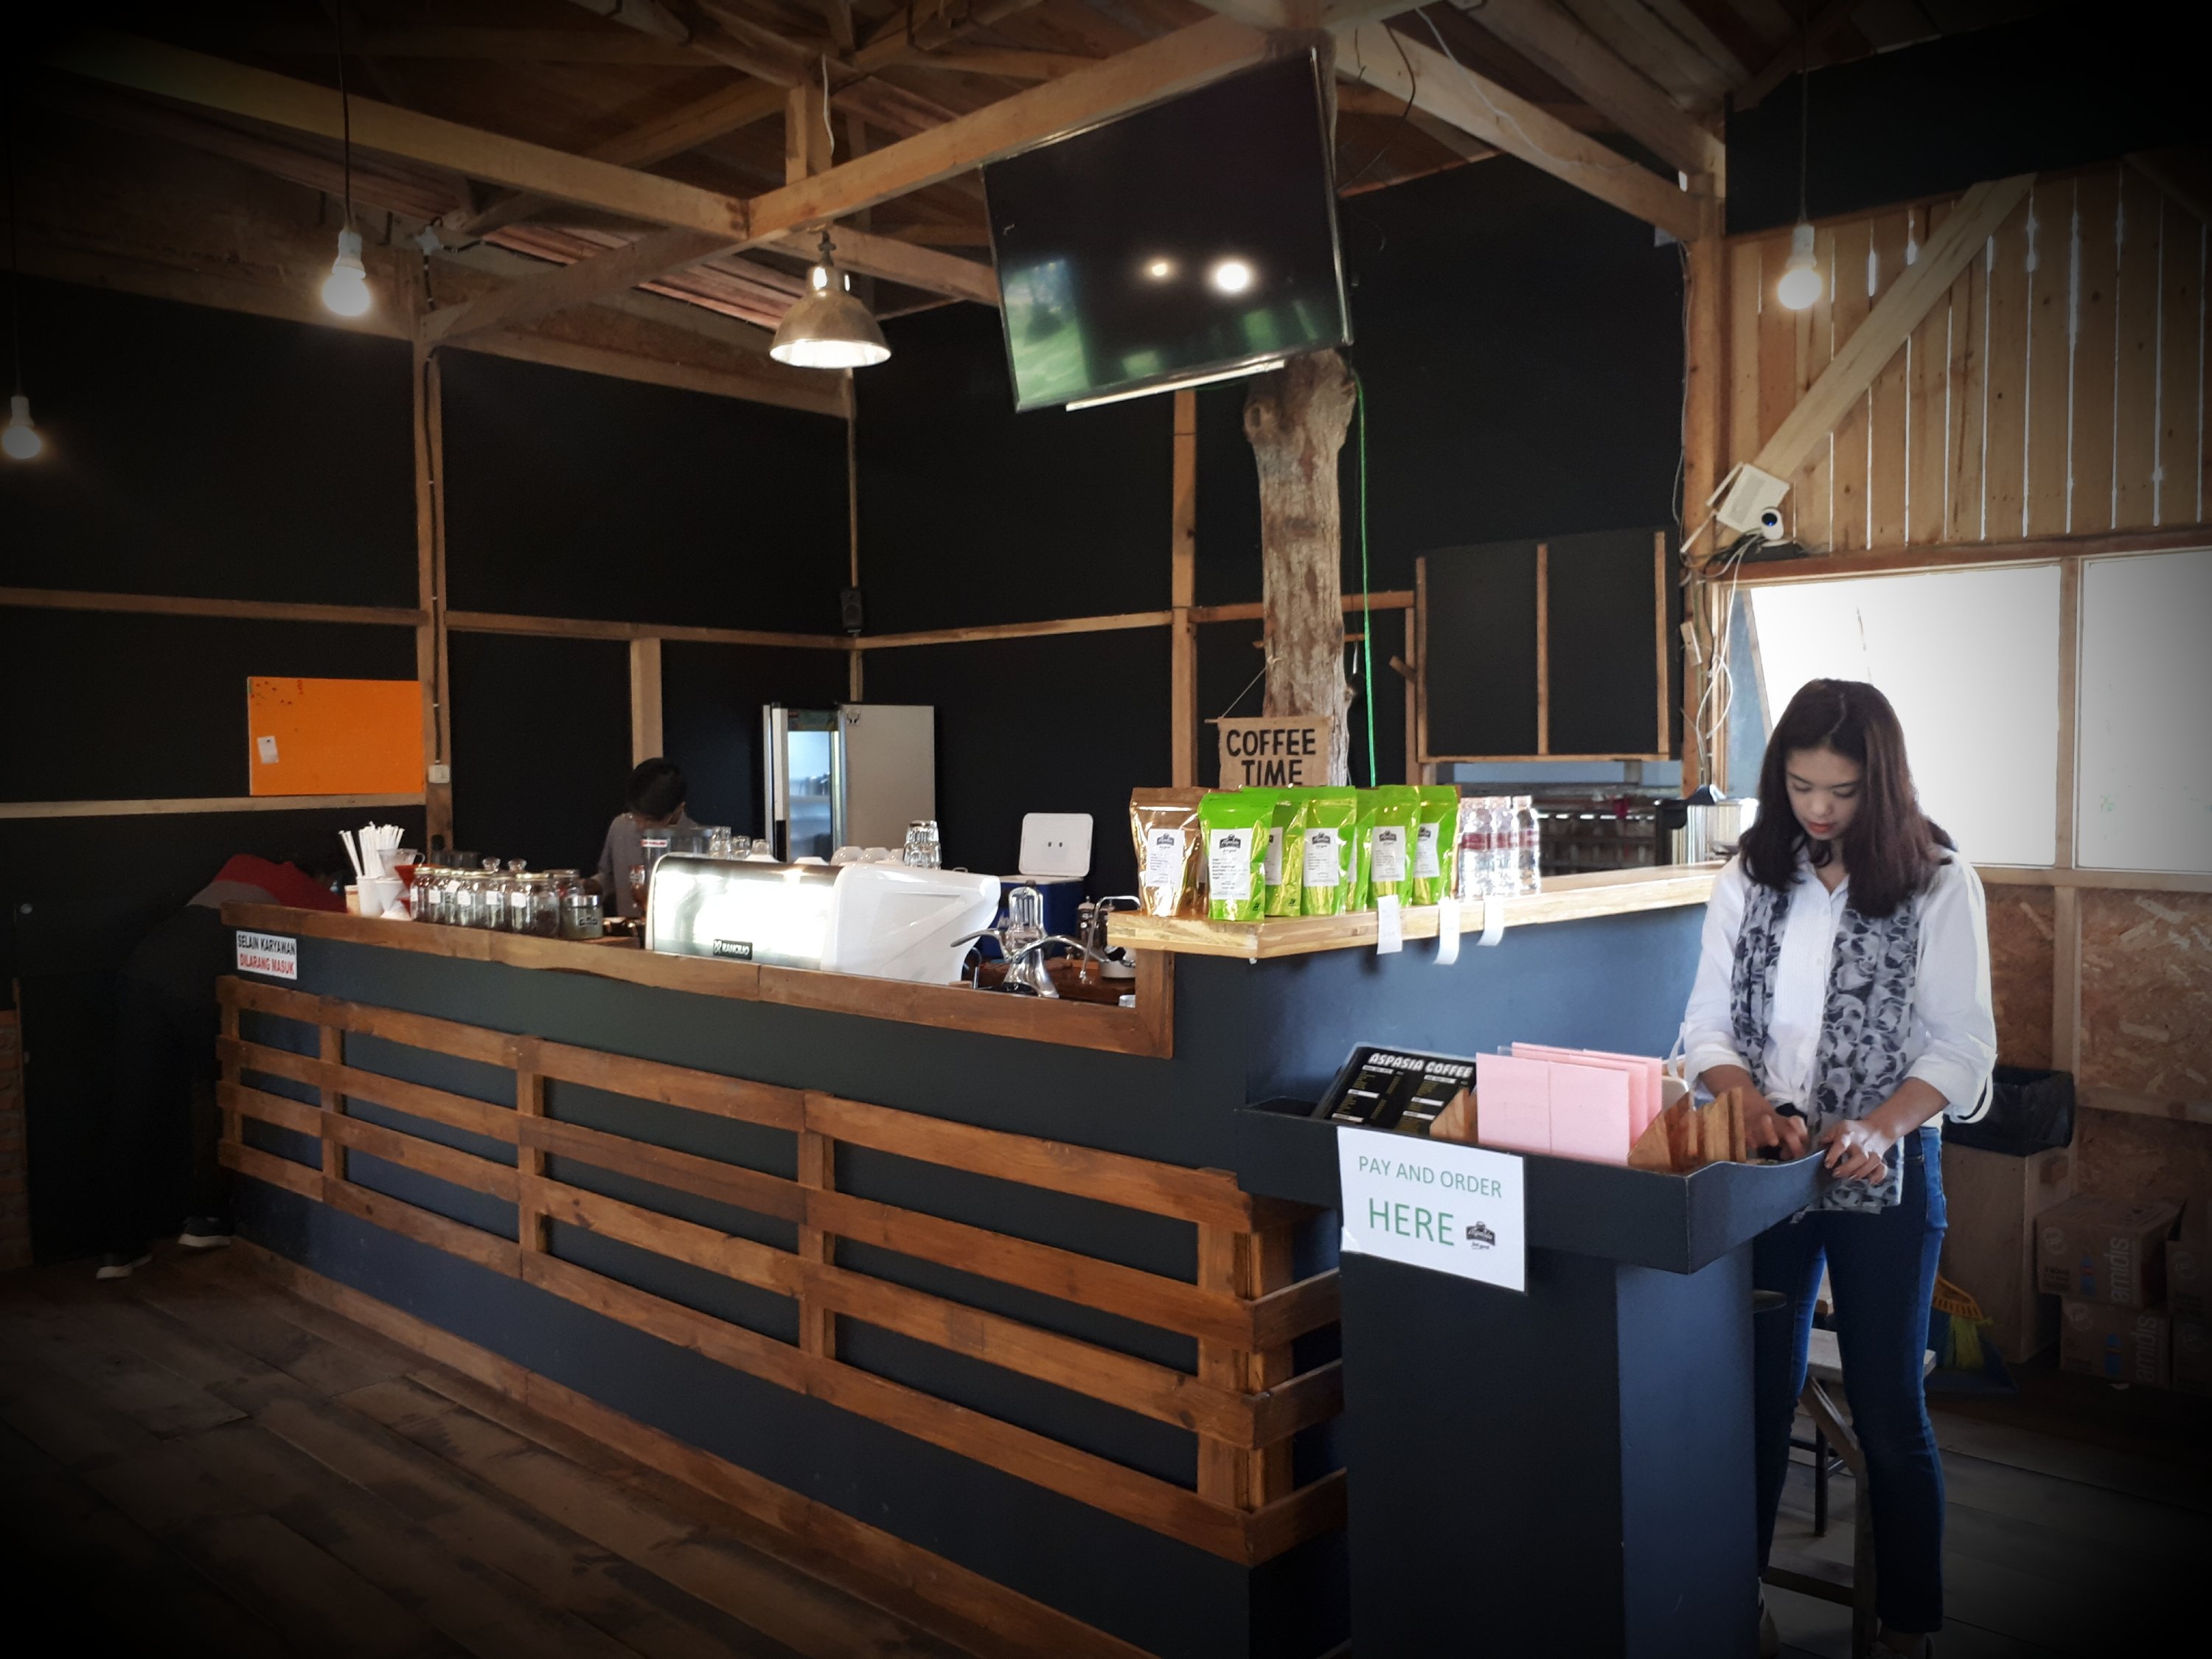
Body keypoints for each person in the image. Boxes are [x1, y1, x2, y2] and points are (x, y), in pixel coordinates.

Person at [1679, 680, 1995, 1659]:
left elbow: (1963, 1047)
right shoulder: (1751, 875)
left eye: (1844, 791)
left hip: (1885, 1171)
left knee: (1888, 1408)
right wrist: (1750, 1102)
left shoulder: (1938, 879)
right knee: (1753, 1400)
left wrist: (1882, 1127)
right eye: (1802, 784)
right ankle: (1736, 1606)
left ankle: (1908, 1629)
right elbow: (1705, 1026)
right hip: (1765, 1168)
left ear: (1882, 783)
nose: (1819, 808)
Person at [100, 853, 347, 1280]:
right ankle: (207, 1218)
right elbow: (347, 928)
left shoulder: (240, 864)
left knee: (134, 1107)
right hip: (201, 984)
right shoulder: (309, 891)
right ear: (323, 877)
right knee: (218, 1095)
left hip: (141, 972)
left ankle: (117, 1250)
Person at [597, 757, 695, 919]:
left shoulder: (697, 842)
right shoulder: (621, 826)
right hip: (629, 930)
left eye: (649, 820)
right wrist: (591, 885)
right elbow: (608, 877)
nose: (641, 826)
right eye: (636, 816)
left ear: (678, 810)